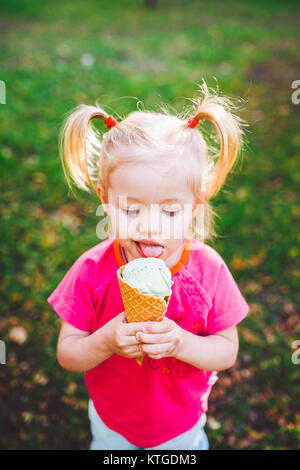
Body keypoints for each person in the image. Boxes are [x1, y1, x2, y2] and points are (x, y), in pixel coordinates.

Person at [47, 81, 250, 450]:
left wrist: (181, 343)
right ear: (105, 200)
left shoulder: (208, 270)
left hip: (182, 428)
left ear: (195, 205)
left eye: (170, 211)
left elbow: (226, 350)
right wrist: (105, 341)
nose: (150, 225)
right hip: (113, 425)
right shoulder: (93, 270)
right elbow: (68, 353)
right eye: (131, 208)